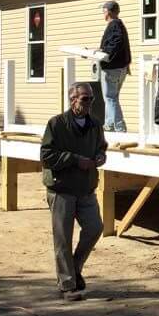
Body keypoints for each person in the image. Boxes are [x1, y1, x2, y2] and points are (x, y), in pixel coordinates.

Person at [40, 82, 107, 301]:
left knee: (95, 228)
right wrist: (75, 160)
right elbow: (46, 156)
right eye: (85, 99)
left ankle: (74, 269)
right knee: (63, 238)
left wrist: (100, 157)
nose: (89, 103)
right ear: (73, 100)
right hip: (61, 188)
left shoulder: (95, 125)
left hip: (86, 188)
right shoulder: (57, 124)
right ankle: (67, 285)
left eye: (91, 99)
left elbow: (101, 147)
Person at [97, 0, 131, 132]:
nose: (103, 13)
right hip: (120, 67)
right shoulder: (119, 25)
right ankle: (109, 124)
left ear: (109, 12)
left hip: (113, 68)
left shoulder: (114, 25)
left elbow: (115, 43)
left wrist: (105, 53)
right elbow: (116, 45)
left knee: (111, 97)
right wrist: (98, 51)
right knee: (112, 97)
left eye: (104, 11)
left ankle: (120, 127)